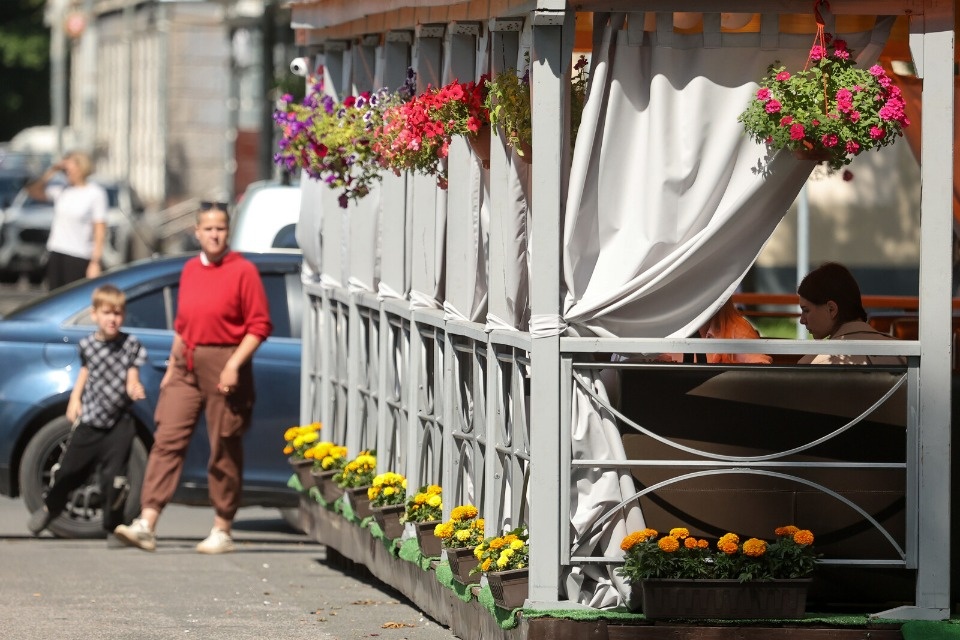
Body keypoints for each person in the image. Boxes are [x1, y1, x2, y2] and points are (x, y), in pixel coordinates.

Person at [114, 201, 272, 554]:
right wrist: (172, 368)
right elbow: (183, 325)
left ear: (227, 232)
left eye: (220, 228)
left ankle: (222, 528)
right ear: (196, 232)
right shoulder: (190, 270)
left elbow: (260, 326)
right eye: (208, 228)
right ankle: (147, 522)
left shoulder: (242, 270)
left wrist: (234, 364)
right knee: (168, 437)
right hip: (187, 361)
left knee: (224, 444)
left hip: (225, 360)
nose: (214, 234)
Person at [27, 284, 147, 537]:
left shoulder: (130, 345)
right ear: (95, 315)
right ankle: (51, 508)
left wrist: (135, 387)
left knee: (114, 479)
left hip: (119, 423)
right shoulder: (88, 345)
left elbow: (132, 375)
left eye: (117, 313)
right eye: (107, 313)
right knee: (70, 470)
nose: (112, 319)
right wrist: (75, 399)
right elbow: (85, 372)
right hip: (91, 420)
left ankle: (113, 526)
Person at [797, 261, 906, 365]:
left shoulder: (816, 364)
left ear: (831, 309)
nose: (802, 320)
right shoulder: (906, 355)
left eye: (806, 310)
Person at [26, 151, 108, 289]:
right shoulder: (62, 190)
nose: (66, 172)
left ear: (81, 167)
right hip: (57, 251)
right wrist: (52, 170)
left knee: (73, 298)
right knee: (54, 298)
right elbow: (32, 191)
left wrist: (95, 262)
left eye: (69, 168)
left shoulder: (95, 193)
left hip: (79, 255)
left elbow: (99, 231)